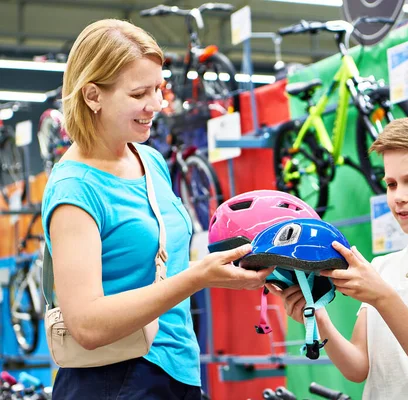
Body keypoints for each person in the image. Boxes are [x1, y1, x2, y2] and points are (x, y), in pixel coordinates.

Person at [41, 19, 273, 400]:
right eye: (138, 94)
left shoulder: (150, 160)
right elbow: (87, 325)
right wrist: (198, 278)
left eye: (157, 88)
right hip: (112, 381)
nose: (156, 104)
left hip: (178, 371)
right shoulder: (75, 190)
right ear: (92, 95)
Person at [268, 117, 408, 399]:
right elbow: (358, 367)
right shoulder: (382, 266)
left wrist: (383, 297)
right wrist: (317, 317)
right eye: (391, 184)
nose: (398, 196)